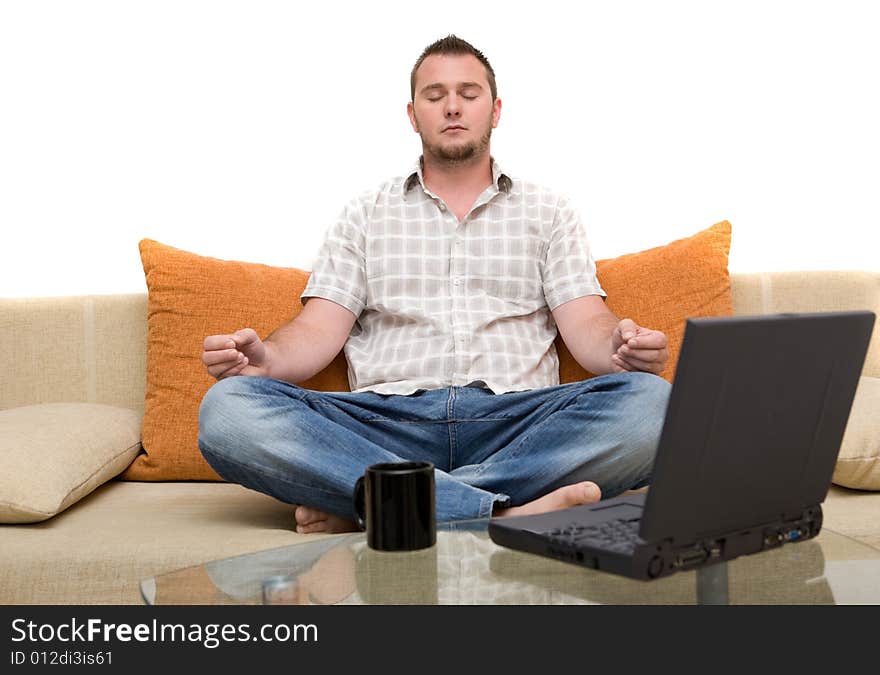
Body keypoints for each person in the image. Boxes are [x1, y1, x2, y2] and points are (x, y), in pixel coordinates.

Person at [198, 35, 671, 535]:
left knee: (651, 404)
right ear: (412, 113)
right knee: (228, 409)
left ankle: (383, 503)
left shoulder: (549, 211)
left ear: (495, 110)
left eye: (469, 93)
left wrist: (619, 348)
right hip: (384, 424)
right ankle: (497, 514)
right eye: (434, 95)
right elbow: (317, 328)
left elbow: (586, 323)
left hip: (516, 423)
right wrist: (265, 361)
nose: (452, 107)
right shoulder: (365, 213)